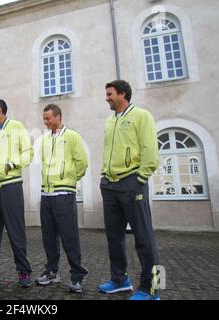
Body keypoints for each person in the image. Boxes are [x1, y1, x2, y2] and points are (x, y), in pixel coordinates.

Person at [98, 80, 161, 300]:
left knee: (144, 238)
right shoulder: (110, 121)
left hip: (132, 183)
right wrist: (104, 176)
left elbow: (150, 150)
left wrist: (140, 178)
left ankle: (153, 288)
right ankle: (119, 280)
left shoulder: (142, 116)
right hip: (110, 185)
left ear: (123, 94)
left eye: (110, 94)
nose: (106, 98)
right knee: (114, 237)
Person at [0, 98, 34, 287]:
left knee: (15, 230)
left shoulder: (17, 126)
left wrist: (12, 164)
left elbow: (28, 152)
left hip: (11, 186)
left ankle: (24, 271)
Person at [35, 104, 89, 293]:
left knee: (69, 237)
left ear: (58, 117)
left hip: (64, 194)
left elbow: (82, 162)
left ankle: (77, 276)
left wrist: (69, 180)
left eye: (48, 118)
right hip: (46, 194)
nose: (45, 121)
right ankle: (52, 271)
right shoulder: (44, 140)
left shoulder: (72, 137)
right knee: (48, 237)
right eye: (44, 118)